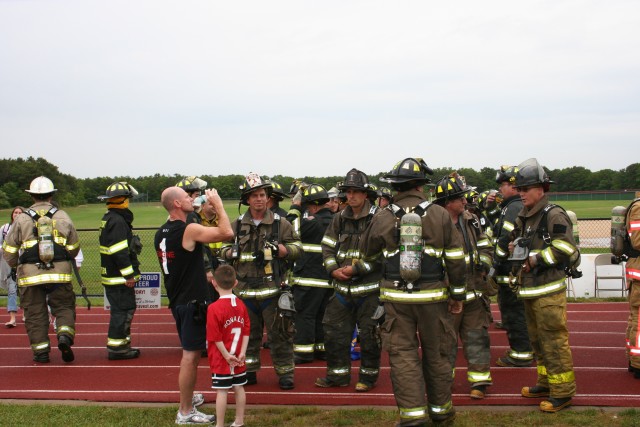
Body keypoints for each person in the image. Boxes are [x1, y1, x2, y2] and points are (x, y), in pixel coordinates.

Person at [358, 158, 467, 425]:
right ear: (420, 186)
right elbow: (455, 258)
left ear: (395, 186)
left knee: (403, 357)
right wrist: (458, 295)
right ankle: (441, 413)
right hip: (433, 298)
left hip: (396, 300)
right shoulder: (440, 215)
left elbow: (366, 252)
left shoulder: (382, 216)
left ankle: (413, 417)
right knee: (438, 354)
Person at [154, 186, 233, 424]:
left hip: (178, 299)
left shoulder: (162, 232)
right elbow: (226, 232)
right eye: (187, 197)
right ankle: (185, 411)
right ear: (177, 204)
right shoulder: (187, 230)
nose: (192, 198)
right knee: (190, 356)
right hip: (192, 302)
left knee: (192, 354)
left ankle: (188, 398)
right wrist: (218, 203)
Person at [220, 173, 302, 390]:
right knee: (248, 337)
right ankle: (250, 372)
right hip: (245, 293)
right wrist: (230, 253)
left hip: (272, 292)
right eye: (254, 195)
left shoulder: (280, 224)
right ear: (247, 199)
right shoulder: (236, 225)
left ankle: (285, 374)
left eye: (262, 195)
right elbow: (222, 249)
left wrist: (281, 250)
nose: (259, 199)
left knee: (281, 335)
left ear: (268, 197)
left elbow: (298, 249)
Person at [508, 158, 578, 413]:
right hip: (530, 290)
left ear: (542, 189)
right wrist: (514, 249)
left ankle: (563, 393)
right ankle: (546, 382)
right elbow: (520, 243)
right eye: (519, 189)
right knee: (538, 341)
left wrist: (536, 259)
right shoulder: (524, 216)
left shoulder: (554, 214)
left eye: (526, 189)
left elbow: (565, 248)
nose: (521, 193)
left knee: (554, 342)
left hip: (548, 291)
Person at [316, 168, 382, 392]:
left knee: (370, 336)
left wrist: (356, 269)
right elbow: (327, 246)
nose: (351, 196)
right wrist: (333, 269)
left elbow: (384, 254)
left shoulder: (378, 218)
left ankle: (368, 378)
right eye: (348, 192)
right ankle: (338, 377)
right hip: (341, 290)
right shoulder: (338, 219)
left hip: (369, 291)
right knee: (334, 333)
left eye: (356, 192)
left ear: (365, 194)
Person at [2, 176, 80, 363]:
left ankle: (41, 353)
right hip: (59, 274)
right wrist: (62, 257)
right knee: (63, 307)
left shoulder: (21, 218)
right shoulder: (63, 216)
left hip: (30, 276)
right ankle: (64, 335)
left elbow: (9, 249)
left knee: (35, 313)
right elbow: (74, 246)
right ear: (51, 195)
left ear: (32, 196)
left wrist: (17, 265)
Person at [433, 173, 493, 399]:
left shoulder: (471, 220)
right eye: (460, 198)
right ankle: (443, 382)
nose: (465, 201)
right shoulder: (434, 223)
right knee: (444, 342)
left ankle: (479, 382)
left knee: (477, 337)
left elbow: (486, 245)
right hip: (446, 296)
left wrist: (484, 264)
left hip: (474, 292)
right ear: (448, 202)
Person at [491, 165, 534, 366]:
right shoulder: (512, 206)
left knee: (514, 312)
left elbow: (505, 238)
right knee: (516, 311)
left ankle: (521, 354)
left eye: (504, 185)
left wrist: (495, 262)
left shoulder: (514, 207)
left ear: (514, 187)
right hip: (512, 270)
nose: (500, 189)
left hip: (509, 270)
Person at [286, 184, 334, 364]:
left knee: (305, 314)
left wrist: (296, 206)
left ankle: (303, 352)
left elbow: (289, 226)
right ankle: (321, 349)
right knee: (322, 315)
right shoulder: (335, 220)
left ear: (312, 206)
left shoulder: (311, 223)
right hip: (328, 279)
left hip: (308, 278)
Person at [98, 182, 142, 360]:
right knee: (122, 311)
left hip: (114, 276)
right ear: (123, 200)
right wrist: (129, 274)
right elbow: (119, 251)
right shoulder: (117, 221)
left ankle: (122, 344)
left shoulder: (111, 218)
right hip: (119, 278)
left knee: (122, 310)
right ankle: (118, 349)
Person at [207, 265, 250, 427]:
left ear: (214, 283)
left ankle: (219, 424)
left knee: (222, 391)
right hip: (238, 355)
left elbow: (215, 337)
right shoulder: (241, 305)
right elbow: (246, 331)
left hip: (222, 358)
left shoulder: (213, 308)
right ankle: (239, 421)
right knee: (239, 387)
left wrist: (226, 356)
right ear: (236, 283)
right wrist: (243, 353)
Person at [1, 206, 25, 328]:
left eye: (20, 213)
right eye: (15, 212)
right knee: (12, 289)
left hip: (24, 263)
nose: (17, 214)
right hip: (9, 264)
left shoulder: (27, 228)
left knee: (25, 289)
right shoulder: (5, 228)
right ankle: (12, 318)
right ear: (12, 214)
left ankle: (25, 313)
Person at [624, 196, 640, 379]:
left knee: (636, 317)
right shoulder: (638, 208)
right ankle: (637, 363)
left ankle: (633, 358)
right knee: (638, 320)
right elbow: (638, 241)